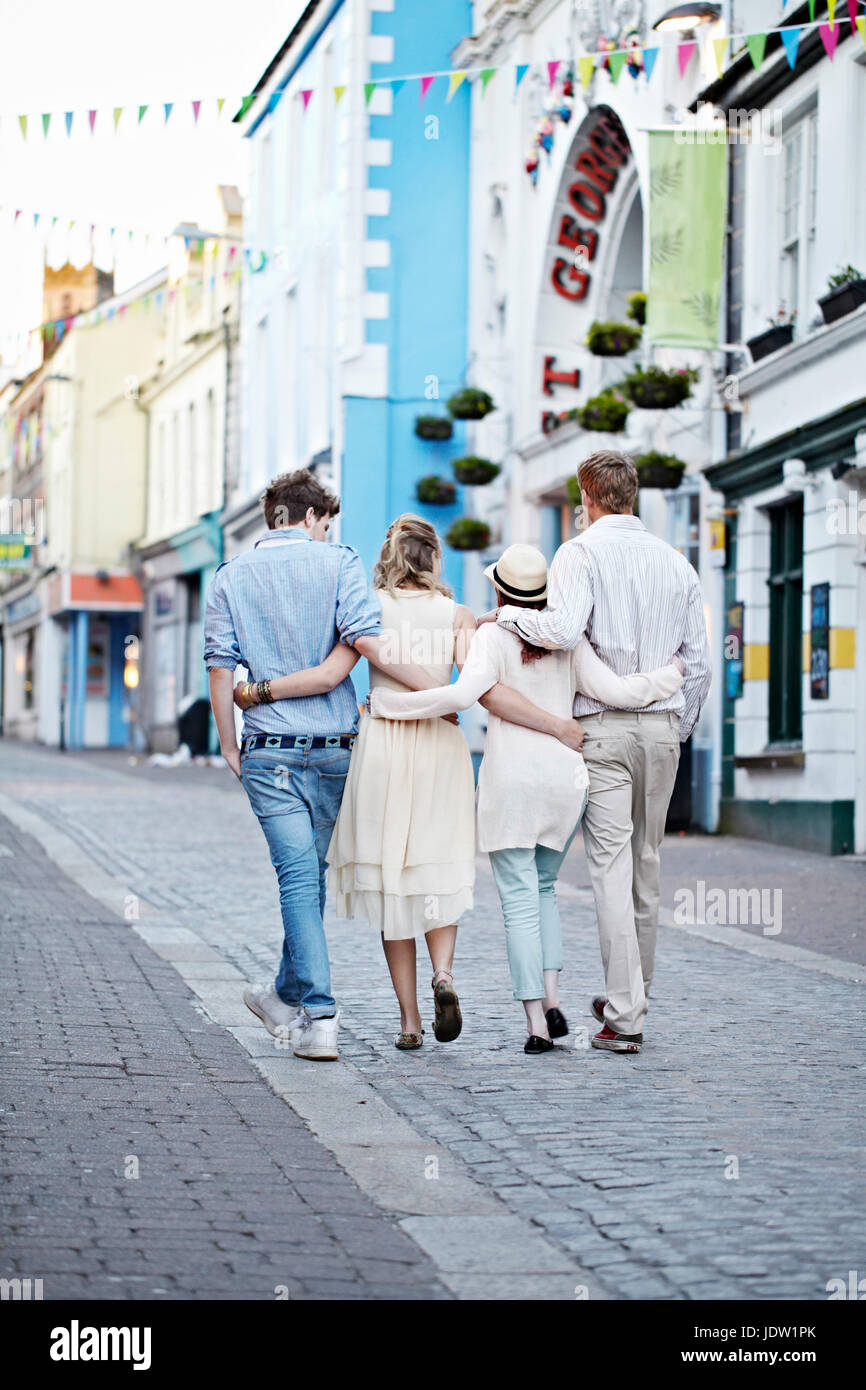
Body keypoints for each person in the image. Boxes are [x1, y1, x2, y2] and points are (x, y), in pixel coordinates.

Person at [235, 515, 587, 1050]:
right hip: (441, 748)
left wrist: (260, 692)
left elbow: (331, 673)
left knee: (392, 883)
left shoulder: (367, 611)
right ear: (435, 560)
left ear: (388, 558)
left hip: (382, 746)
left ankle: (409, 1021)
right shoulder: (457, 614)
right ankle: (444, 975)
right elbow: (478, 684)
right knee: (437, 871)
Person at [366, 543, 683, 1054]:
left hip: (513, 783)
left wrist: (387, 704)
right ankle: (555, 999)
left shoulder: (491, 637)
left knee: (519, 903)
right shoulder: (571, 642)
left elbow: (457, 697)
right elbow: (620, 693)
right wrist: (670, 676)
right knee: (544, 891)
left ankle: (537, 1024)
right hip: (565, 781)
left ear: (499, 589)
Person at [204, 471, 439, 1062]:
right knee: (306, 880)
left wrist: (228, 745)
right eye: (326, 522)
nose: (327, 532)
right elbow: (366, 643)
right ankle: (295, 1002)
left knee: (298, 880)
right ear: (310, 517)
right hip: (336, 748)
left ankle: (314, 1010)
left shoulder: (230, 577)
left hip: (269, 752)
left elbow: (218, 667)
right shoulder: (339, 563)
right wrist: (438, 692)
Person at [491, 451, 712, 1054]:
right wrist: (678, 730)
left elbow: (560, 631)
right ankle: (633, 993)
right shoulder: (678, 565)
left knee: (610, 869)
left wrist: (505, 616)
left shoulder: (579, 552)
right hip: (663, 729)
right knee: (647, 864)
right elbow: (698, 666)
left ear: (587, 498)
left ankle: (625, 1014)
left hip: (605, 734)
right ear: (631, 495)